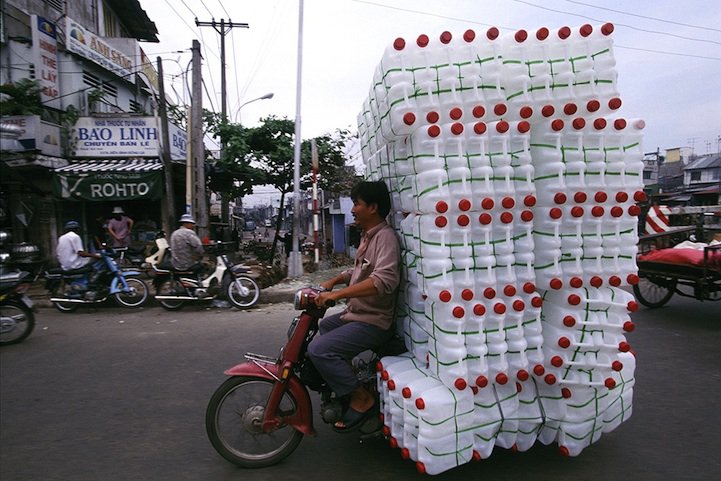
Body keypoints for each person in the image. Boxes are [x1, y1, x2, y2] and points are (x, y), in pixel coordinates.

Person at [308, 181, 401, 431]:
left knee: (319, 350)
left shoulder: (386, 238)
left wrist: (338, 295)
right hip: (357, 313)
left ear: (372, 207)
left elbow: (384, 280)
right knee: (325, 326)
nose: (353, 209)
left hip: (374, 320)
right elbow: (359, 271)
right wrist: (334, 281)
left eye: (357, 204)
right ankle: (348, 380)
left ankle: (362, 398)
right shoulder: (368, 237)